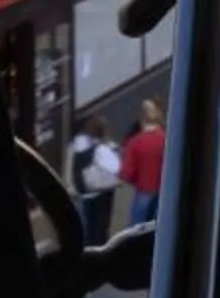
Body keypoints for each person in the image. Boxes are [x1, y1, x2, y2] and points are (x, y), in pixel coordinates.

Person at [68, 114, 122, 246]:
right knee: (102, 225)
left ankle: (88, 248)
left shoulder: (75, 145)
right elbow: (116, 168)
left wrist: (71, 186)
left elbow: (70, 166)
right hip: (103, 192)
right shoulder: (107, 147)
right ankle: (101, 248)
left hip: (84, 191)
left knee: (88, 223)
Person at [119, 99, 167, 229]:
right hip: (164, 194)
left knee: (138, 232)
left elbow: (127, 174)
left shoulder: (134, 142)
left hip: (143, 193)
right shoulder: (167, 140)